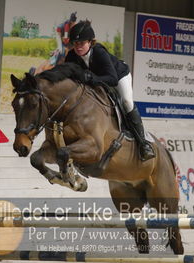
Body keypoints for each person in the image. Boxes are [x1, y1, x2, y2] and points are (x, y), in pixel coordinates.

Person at [65, 20, 155, 161]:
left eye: (81, 43)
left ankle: (143, 144)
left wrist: (92, 78)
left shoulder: (99, 52)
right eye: (75, 44)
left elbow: (112, 79)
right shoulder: (71, 56)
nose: (78, 47)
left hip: (119, 76)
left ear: (90, 42)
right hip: (97, 81)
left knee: (126, 101)